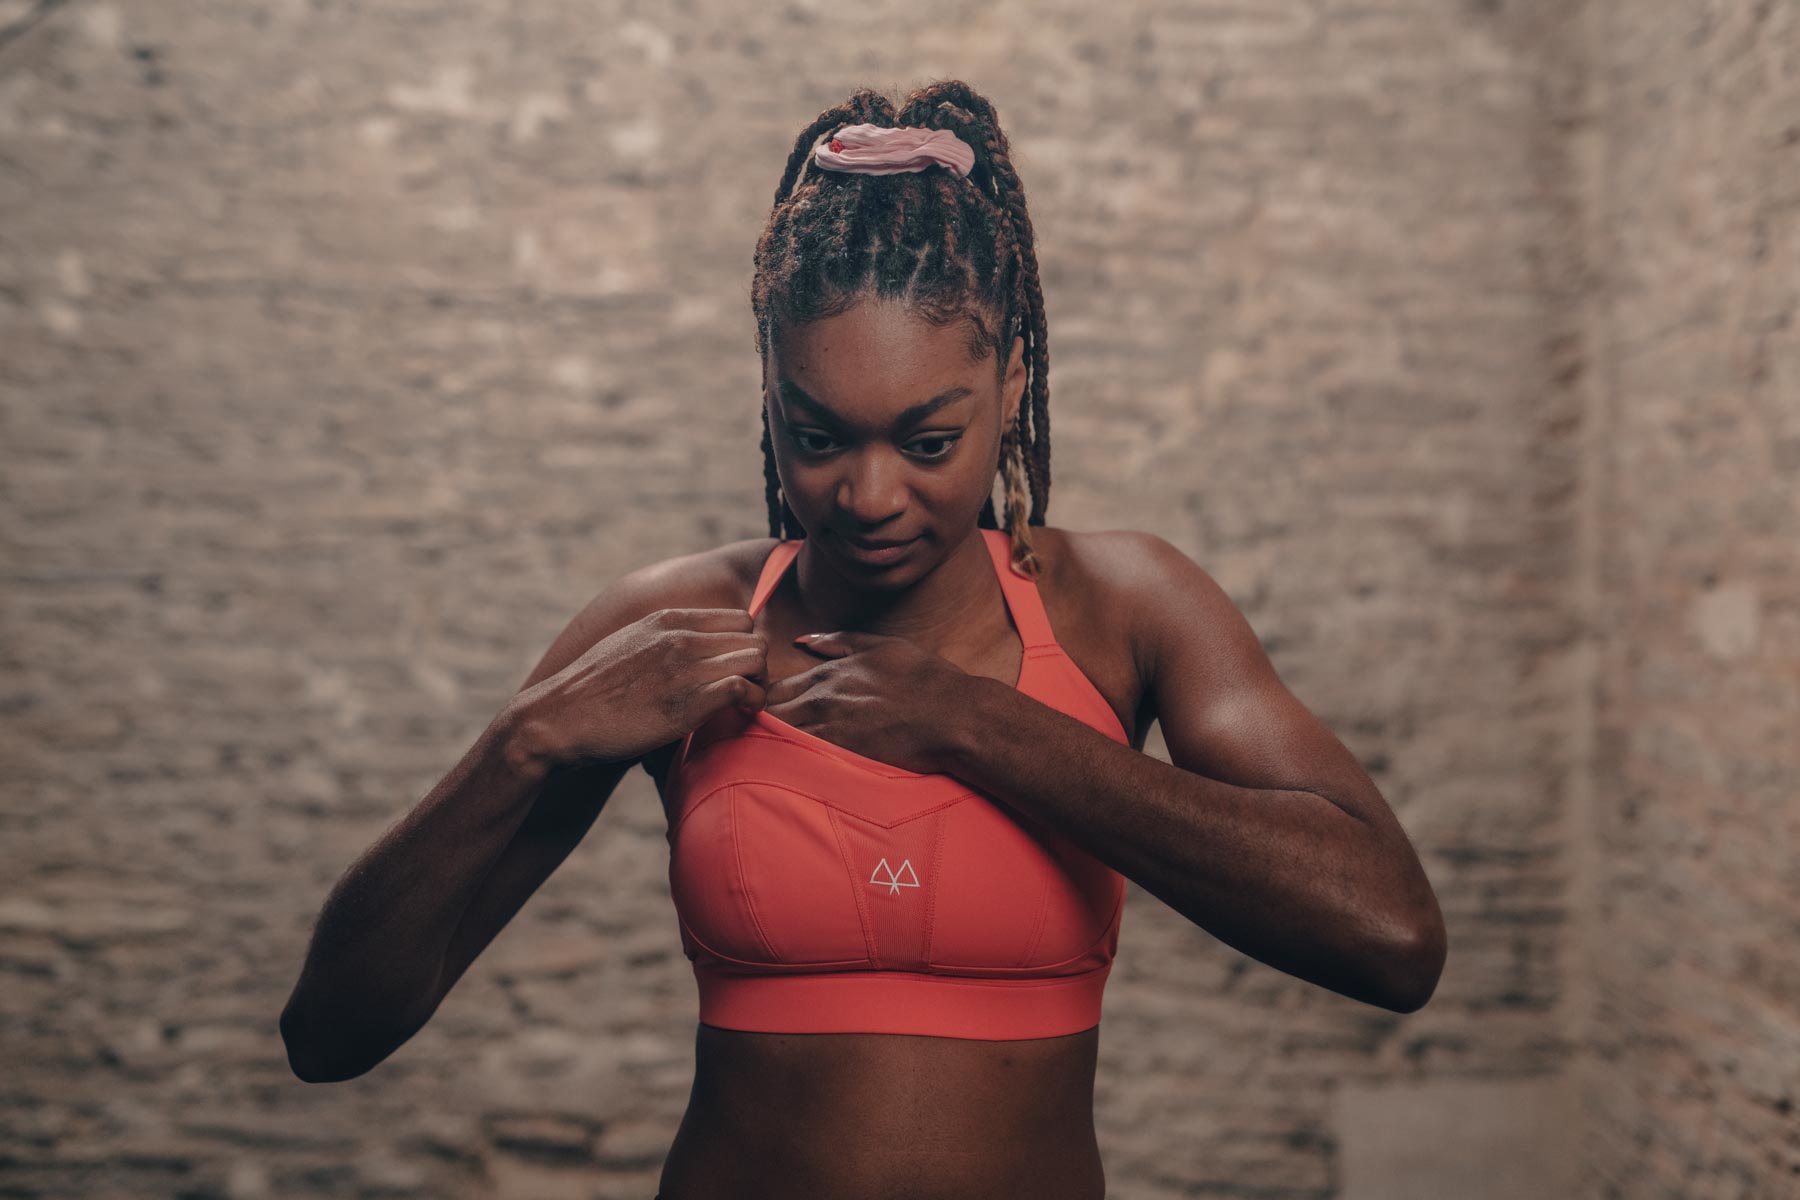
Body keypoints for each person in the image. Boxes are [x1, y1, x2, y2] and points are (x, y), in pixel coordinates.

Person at [280, 80, 1446, 1200]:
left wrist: (975, 724)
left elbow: (1391, 937)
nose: (870, 495)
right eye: (820, 436)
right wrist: (525, 743)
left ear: (1009, 385)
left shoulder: (1123, 608)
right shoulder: (678, 631)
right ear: (773, 400)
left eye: (928, 440)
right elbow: (332, 1031)